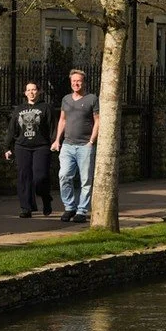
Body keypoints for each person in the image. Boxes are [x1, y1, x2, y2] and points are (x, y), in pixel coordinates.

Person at [52, 67, 100, 223]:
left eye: (79, 81)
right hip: (67, 145)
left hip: (85, 145)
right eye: (73, 81)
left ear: (84, 82)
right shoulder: (66, 99)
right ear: (70, 82)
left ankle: (81, 210)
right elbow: (62, 120)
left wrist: (91, 141)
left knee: (85, 180)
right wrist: (57, 139)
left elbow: (98, 121)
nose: (76, 83)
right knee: (64, 175)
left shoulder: (92, 99)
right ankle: (69, 207)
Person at [5, 80, 55, 218]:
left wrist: (54, 142)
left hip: (41, 146)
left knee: (40, 177)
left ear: (39, 91)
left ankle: (45, 198)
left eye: (34, 90)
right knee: (24, 176)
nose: (31, 92)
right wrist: (7, 147)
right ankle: (26, 207)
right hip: (22, 146)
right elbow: (12, 129)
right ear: (25, 93)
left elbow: (52, 128)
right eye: (28, 90)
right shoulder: (19, 109)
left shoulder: (46, 107)